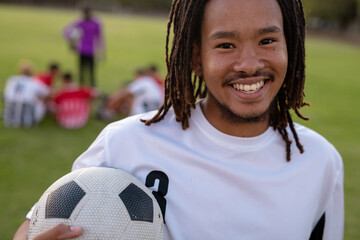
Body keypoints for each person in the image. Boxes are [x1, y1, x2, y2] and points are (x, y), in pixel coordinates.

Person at [14, 0, 344, 239]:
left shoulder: (320, 162)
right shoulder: (127, 142)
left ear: (292, 46)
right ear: (197, 59)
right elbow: (36, 225)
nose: (248, 64)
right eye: (226, 45)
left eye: (267, 41)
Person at [96, 68, 164, 120]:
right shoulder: (152, 82)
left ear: (139, 76)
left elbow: (124, 94)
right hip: (157, 113)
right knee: (129, 98)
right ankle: (111, 111)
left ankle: (107, 111)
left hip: (141, 115)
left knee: (123, 95)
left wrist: (112, 99)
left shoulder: (142, 81)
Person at [63, 7, 105, 87]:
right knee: (83, 71)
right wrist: (72, 42)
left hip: (90, 50)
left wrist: (101, 51)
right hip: (82, 50)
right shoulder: (81, 22)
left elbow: (99, 37)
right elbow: (67, 31)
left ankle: (91, 88)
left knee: (91, 72)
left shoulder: (93, 23)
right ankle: (83, 88)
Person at [3, 60, 50, 128]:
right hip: (27, 117)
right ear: (31, 72)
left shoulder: (12, 80)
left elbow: (6, 95)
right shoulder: (34, 82)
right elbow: (47, 93)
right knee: (41, 101)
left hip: (10, 116)